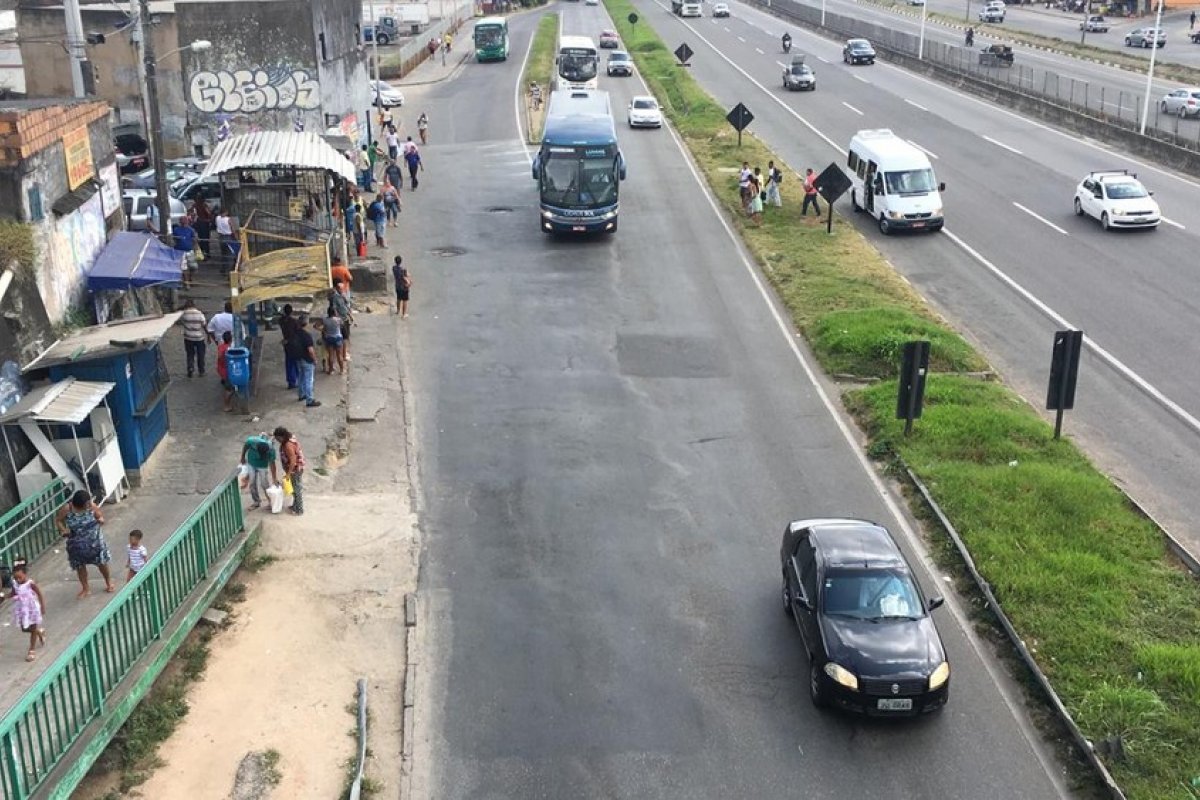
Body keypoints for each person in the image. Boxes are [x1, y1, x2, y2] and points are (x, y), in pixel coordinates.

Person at [55, 490, 115, 597]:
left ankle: (108, 582)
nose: (88, 505)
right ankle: (85, 588)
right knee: (80, 565)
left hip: (94, 541)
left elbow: (99, 516)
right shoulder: (67, 509)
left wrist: (100, 520)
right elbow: (58, 520)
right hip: (76, 543)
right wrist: (63, 530)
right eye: (86, 504)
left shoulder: (91, 506)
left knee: (101, 563)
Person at [6, 562, 46, 661]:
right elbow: (13, 593)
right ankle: (39, 632)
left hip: (31, 608)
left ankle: (31, 650)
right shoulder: (15, 584)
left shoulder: (30, 583)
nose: (18, 580)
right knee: (24, 628)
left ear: (25, 574)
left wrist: (42, 606)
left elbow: (39, 593)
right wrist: (5, 596)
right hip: (22, 609)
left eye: (20, 577)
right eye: (16, 578)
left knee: (32, 627)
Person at [239, 433, 279, 510]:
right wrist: (242, 457)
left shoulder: (271, 450)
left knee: (264, 484)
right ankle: (256, 502)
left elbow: (272, 465)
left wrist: (274, 478)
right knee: (252, 483)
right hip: (251, 463)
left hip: (262, 466)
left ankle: (271, 502)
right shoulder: (251, 441)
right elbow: (245, 447)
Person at [273, 427, 307, 516]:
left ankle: (299, 510)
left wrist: (288, 474)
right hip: (293, 469)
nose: (277, 441)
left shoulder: (288, 445)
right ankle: (295, 506)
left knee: (296, 490)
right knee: (293, 488)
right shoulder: (288, 438)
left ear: (282, 436)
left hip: (295, 470)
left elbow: (293, 460)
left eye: (278, 439)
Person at [293, 314, 321, 407]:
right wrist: (315, 359)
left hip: (298, 357)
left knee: (301, 376)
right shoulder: (307, 335)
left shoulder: (296, 333)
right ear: (306, 323)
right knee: (309, 379)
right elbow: (310, 350)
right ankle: (310, 399)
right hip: (307, 359)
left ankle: (301, 394)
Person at [179, 299, 208, 378]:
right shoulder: (199, 313)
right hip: (199, 337)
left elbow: (182, 321)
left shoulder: (184, 314)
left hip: (188, 337)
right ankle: (201, 370)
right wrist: (208, 335)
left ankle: (190, 368)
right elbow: (204, 325)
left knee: (190, 354)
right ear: (194, 305)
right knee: (201, 354)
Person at [328, 279, 354, 363]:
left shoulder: (343, 295)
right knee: (344, 338)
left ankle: (344, 352)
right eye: (341, 288)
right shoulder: (335, 297)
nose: (342, 290)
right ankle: (343, 354)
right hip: (341, 320)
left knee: (346, 337)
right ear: (337, 288)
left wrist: (350, 316)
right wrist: (338, 319)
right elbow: (335, 309)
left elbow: (346, 306)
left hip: (345, 318)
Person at [173, 216, 197, 288]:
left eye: (185, 220)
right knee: (184, 268)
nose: (184, 222)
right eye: (182, 221)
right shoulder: (176, 230)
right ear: (180, 222)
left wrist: (195, 248)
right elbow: (174, 239)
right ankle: (187, 283)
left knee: (194, 267)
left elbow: (195, 239)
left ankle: (190, 278)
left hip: (190, 251)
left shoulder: (191, 230)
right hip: (180, 251)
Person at [280, 303, 299, 390]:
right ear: (291, 312)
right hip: (293, 343)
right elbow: (296, 333)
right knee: (295, 363)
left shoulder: (281, 320)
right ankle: (296, 380)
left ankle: (291, 381)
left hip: (286, 343)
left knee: (289, 362)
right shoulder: (294, 321)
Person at [216, 330, 235, 411]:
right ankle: (226, 406)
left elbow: (219, 357)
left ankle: (227, 404)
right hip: (226, 371)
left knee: (228, 387)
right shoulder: (228, 349)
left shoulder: (221, 346)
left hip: (221, 369)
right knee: (229, 389)